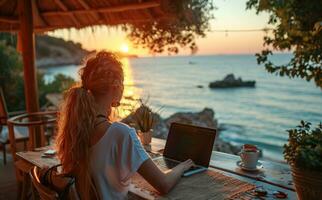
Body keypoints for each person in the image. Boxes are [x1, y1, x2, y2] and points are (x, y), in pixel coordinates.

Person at [55, 51, 194, 199]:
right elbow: (163, 184)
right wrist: (184, 166)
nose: (123, 88)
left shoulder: (75, 131)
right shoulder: (121, 133)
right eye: (122, 83)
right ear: (115, 86)